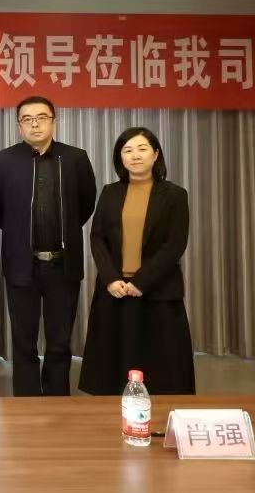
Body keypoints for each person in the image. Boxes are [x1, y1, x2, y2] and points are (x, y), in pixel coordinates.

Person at [0, 96, 96, 396]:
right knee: (24, 342)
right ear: (19, 126)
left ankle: (58, 403)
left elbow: (86, 204)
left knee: (60, 342)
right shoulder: (3, 160)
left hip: (63, 264)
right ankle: (27, 402)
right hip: (22, 264)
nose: (35, 124)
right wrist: (20, 234)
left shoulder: (75, 158)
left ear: (53, 121)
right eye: (27, 119)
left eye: (41, 117)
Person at [79, 127, 195, 395]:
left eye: (142, 149)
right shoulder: (110, 192)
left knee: (162, 367)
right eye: (128, 150)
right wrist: (111, 279)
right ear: (120, 157)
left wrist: (141, 282)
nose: (135, 156)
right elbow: (97, 238)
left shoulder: (175, 195)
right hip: (116, 290)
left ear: (156, 155)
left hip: (158, 291)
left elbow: (174, 245)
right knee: (112, 365)